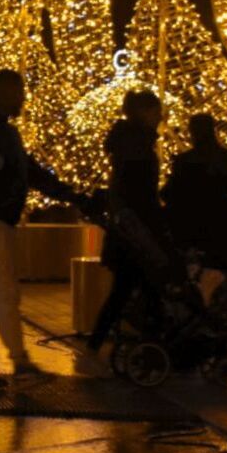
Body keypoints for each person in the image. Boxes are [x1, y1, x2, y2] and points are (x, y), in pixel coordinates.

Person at [0, 70, 85, 389]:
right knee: (4, 291)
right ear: (3, 92)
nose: (23, 99)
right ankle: (21, 364)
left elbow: (29, 171)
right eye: (19, 93)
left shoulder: (0, 129)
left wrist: (69, 194)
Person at [86, 89, 165, 352]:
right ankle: (154, 345)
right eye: (155, 112)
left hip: (128, 230)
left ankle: (99, 344)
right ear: (143, 113)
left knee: (128, 290)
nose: (161, 117)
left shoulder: (130, 142)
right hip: (136, 232)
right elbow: (140, 192)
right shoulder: (137, 147)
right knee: (140, 288)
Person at [163, 114, 227, 340]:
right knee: (226, 277)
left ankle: (196, 324)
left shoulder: (184, 161)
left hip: (193, 231)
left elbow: (173, 195)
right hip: (223, 228)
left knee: (194, 280)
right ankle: (226, 322)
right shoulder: (226, 158)